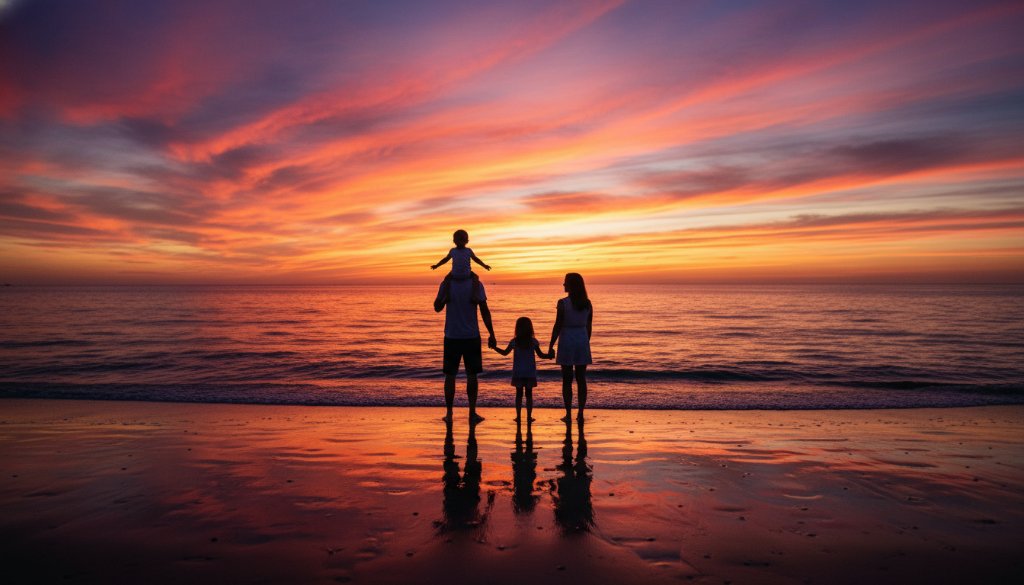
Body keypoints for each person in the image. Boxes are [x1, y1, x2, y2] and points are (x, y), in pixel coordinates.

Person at [434, 263, 497, 423]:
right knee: (470, 375)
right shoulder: (474, 284)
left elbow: (437, 307)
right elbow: (484, 310)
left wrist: (491, 333)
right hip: (467, 336)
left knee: (452, 376)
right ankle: (468, 413)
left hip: (454, 336)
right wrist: (491, 333)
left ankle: (452, 414)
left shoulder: (448, 283)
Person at [547, 273, 592, 422]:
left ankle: (568, 414)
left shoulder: (563, 303)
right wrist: (585, 341)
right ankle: (580, 413)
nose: (563, 285)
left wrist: (551, 344)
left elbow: (558, 325)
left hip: (567, 340)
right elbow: (589, 327)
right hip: (582, 340)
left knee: (567, 379)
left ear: (572, 285)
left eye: (565, 282)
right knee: (581, 378)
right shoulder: (587, 303)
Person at [491, 316, 552, 422]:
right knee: (529, 395)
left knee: (519, 394)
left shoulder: (514, 342)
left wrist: (494, 347)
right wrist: (550, 356)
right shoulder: (533, 342)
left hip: (518, 372)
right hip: (530, 372)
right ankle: (529, 417)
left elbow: (505, 353)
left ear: (517, 328)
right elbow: (541, 355)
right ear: (530, 328)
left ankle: (518, 417)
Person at [431, 229, 491, 303]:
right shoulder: (468, 250)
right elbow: (476, 259)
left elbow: (445, 260)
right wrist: (484, 266)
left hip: (455, 274)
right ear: (467, 241)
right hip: (467, 274)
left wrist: (437, 265)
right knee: (476, 278)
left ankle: (447, 295)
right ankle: (474, 295)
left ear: (454, 241)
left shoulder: (452, 251)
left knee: (446, 280)